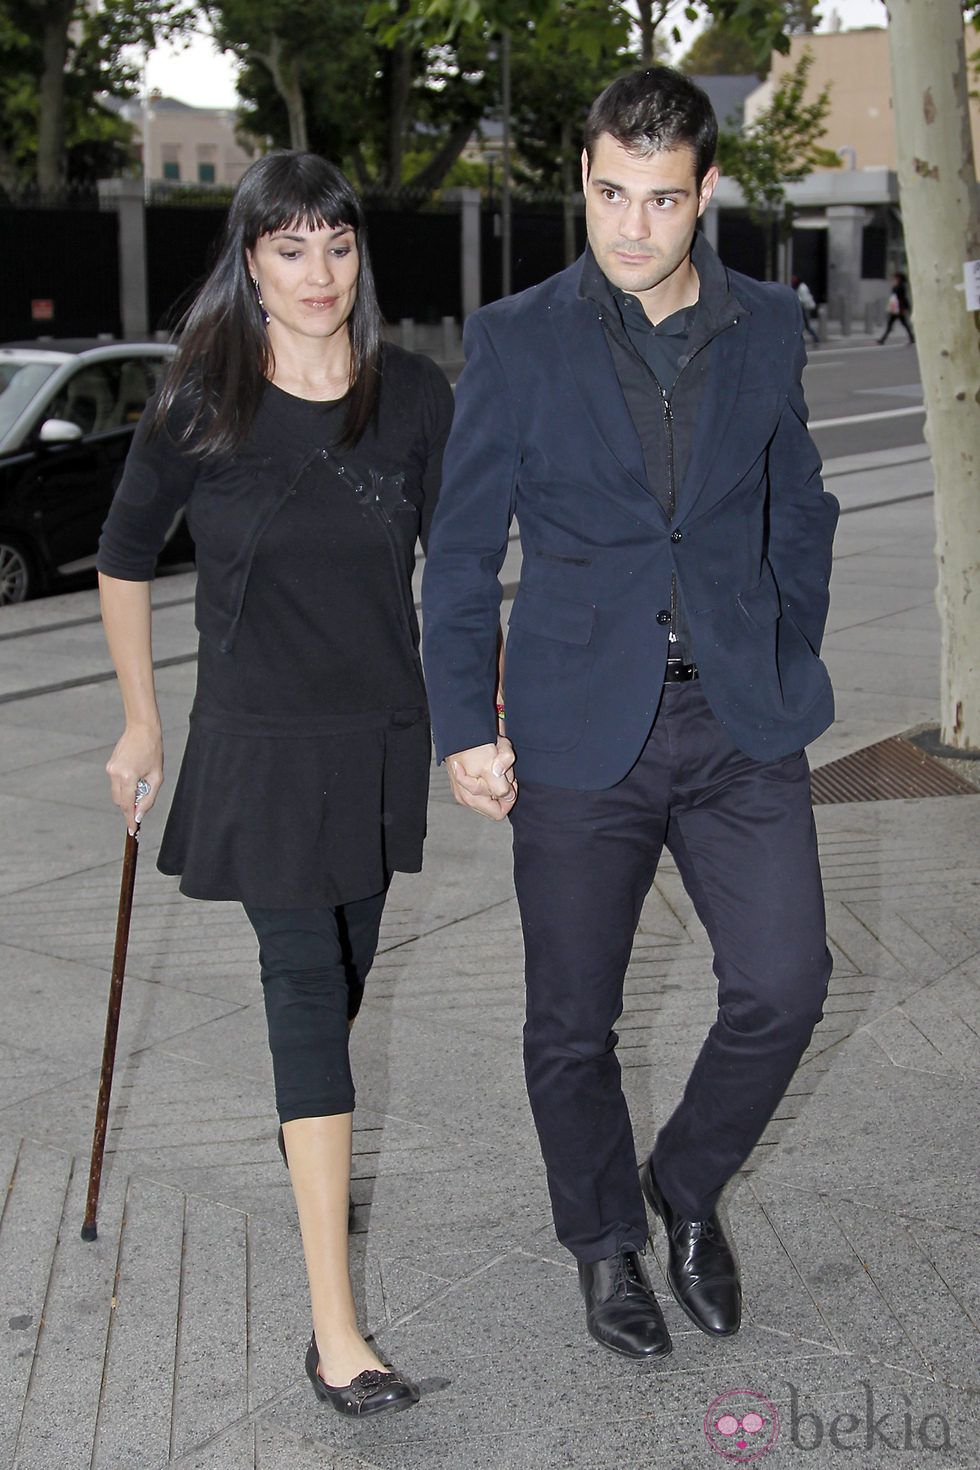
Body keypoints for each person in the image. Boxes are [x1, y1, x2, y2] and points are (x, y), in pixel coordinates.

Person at [421, 68, 838, 1363]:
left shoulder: (769, 326)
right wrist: (459, 722)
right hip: (575, 732)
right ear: (585, 181)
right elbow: (458, 545)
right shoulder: (516, 337)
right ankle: (605, 1242)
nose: (634, 226)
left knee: (786, 982)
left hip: (737, 728)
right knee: (571, 1022)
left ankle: (687, 1187)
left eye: (662, 199)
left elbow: (801, 510)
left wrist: (777, 648)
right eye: (612, 193)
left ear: (704, 192)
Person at [97, 151, 453, 1417]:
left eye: (337, 247)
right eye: (289, 248)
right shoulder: (203, 402)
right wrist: (143, 725)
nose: (317, 273)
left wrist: (485, 705)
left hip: (376, 740)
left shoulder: (412, 397)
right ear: (249, 259)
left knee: (343, 983)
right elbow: (124, 557)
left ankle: (309, 1128)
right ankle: (335, 1333)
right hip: (257, 745)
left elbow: (457, 562)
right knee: (306, 995)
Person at [878, 272, 915, 344]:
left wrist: (905, 308)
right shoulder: (898, 285)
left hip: (898, 308)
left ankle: (883, 339)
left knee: (901, 324)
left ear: (898, 278)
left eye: (895, 277)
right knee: (898, 324)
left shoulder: (900, 286)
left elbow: (901, 298)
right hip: (896, 307)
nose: (894, 279)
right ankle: (883, 339)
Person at [792, 275, 820, 343]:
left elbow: (804, 299)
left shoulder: (802, 288)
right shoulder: (801, 287)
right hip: (803, 308)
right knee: (801, 325)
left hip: (804, 308)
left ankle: (816, 338)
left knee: (806, 325)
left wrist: (797, 299)